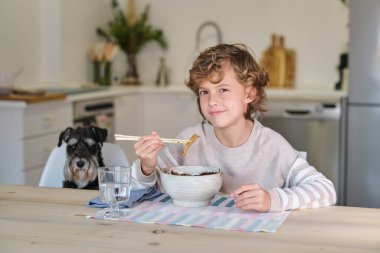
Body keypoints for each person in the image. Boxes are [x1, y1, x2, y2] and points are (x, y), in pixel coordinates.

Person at [132, 43, 336, 212]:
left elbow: (326, 190)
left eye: (223, 89)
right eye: (204, 92)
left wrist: (272, 200)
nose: (212, 101)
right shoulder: (189, 140)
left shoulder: (271, 145)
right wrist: (146, 167)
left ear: (249, 94)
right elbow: (143, 192)